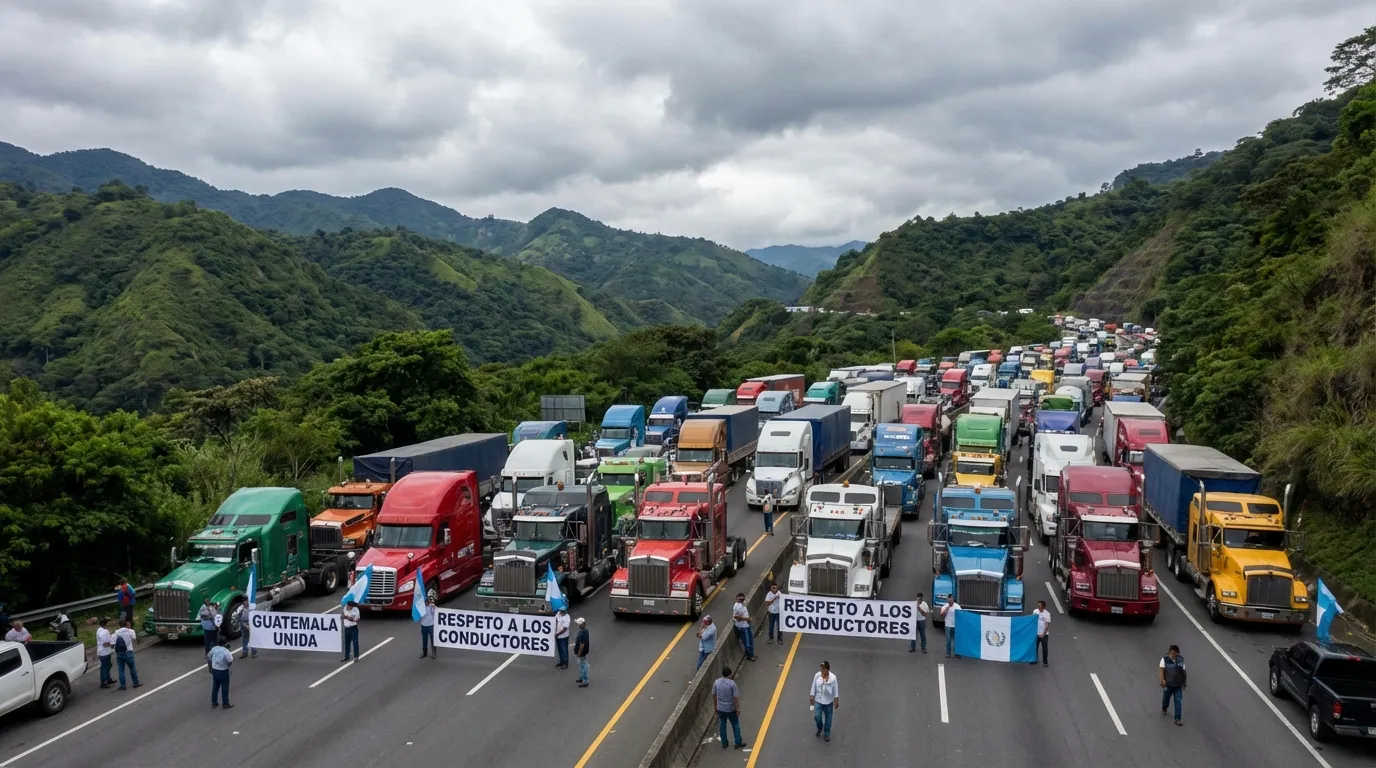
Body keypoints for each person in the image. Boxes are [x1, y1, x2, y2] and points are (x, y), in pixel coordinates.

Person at [713, 666, 746, 749]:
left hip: (720, 708)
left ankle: (724, 743)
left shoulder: (717, 682)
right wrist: (737, 708)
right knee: (735, 724)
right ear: (730, 674)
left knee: (722, 725)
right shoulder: (732, 684)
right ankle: (738, 742)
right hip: (730, 708)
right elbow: (735, 698)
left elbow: (714, 695)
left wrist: (715, 706)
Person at [809, 660, 839, 742]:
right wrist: (812, 696)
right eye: (821, 668)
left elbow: (835, 689)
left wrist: (836, 699)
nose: (822, 670)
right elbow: (813, 686)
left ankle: (826, 734)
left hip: (828, 701)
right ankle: (820, 727)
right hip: (818, 700)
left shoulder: (833, 678)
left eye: (824, 669)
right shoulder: (817, 676)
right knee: (817, 716)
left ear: (828, 669)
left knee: (828, 719)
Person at [1160, 644, 1186, 726]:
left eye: (1174, 653)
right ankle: (1164, 708)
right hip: (1168, 685)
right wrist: (1162, 680)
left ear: (1177, 653)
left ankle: (1177, 719)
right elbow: (1161, 670)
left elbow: (1184, 672)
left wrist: (1184, 683)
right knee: (1166, 699)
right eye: (1171, 653)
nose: (1173, 655)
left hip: (1178, 685)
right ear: (1169, 653)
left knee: (1178, 701)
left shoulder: (1181, 660)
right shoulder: (1164, 660)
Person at [114, 619, 142, 690]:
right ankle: (135, 683)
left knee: (121, 670)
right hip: (128, 652)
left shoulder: (117, 632)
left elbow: (112, 642)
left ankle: (123, 685)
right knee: (132, 668)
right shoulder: (130, 631)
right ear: (126, 624)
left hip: (119, 653)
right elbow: (134, 638)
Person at [207, 639, 234, 709]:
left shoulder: (214, 649)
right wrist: (228, 666)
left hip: (215, 670)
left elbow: (208, 657)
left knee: (215, 686)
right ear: (224, 644)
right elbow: (230, 661)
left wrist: (210, 667)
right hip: (223, 671)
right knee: (225, 687)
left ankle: (214, 702)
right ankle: (225, 703)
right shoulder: (226, 651)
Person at [732, 593, 756, 661]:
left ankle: (751, 654)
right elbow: (736, 617)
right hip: (742, 626)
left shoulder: (742, 604)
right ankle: (750, 655)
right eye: (740, 598)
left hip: (746, 625)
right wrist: (747, 619)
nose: (742, 599)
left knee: (750, 640)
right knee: (747, 642)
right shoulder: (737, 606)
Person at [95, 617, 116, 688]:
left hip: (103, 652)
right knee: (104, 667)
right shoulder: (103, 632)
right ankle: (103, 682)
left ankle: (108, 679)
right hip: (104, 652)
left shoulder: (99, 630)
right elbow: (105, 644)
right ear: (105, 624)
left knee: (107, 666)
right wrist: (112, 644)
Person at [1032, 600, 1050, 666]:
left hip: (1044, 635)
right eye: (1038, 605)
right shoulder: (1035, 611)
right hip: (1036, 633)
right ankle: (1034, 659)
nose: (1039, 607)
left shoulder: (1047, 614)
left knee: (1044, 648)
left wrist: (1043, 634)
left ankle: (1045, 661)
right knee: (1034, 648)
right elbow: (1032, 619)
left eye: (1040, 605)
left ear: (1043, 606)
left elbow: (1047, 625)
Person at [573, 617, 590, 687]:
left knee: (583, 666)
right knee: (581, 665)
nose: (578, 625)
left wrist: (579, 653)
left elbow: (582, 644)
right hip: (581, 652)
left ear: (582, 624)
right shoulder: (584, 631)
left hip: (582, 653)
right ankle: (582, 677)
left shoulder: (583, 632)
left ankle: (585, 681)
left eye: (579, 624)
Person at [420, 594, 437, 659]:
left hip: (431, 625)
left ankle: (434, 653)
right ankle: (424, 652)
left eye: (428, 602)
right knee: (424, 640)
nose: (427, 603)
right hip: (423, 625)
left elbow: (438, 611)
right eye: (426, 602)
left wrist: (434, 607)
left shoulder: (432, 607)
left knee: (433, 640)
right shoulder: (421, 607)